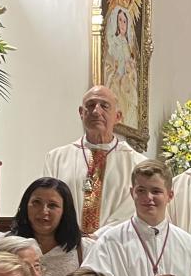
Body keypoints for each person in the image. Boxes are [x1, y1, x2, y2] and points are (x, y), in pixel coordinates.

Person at [43, 85, 144, 235]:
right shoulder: (56, 158)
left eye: (104, 106)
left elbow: (132, 210)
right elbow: (47, 202)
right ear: (81, 113)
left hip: (114, 248)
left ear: (118, 116)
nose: (96, 111)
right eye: (90, 105)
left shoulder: (137, 163)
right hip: (66, 246)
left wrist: (97, 238)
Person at [0, 177, 90, 276]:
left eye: (52, 205)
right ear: (25, 206)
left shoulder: (84, 249)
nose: (44, 211)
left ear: (65, 211)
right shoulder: (3, 244)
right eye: (36, 203)